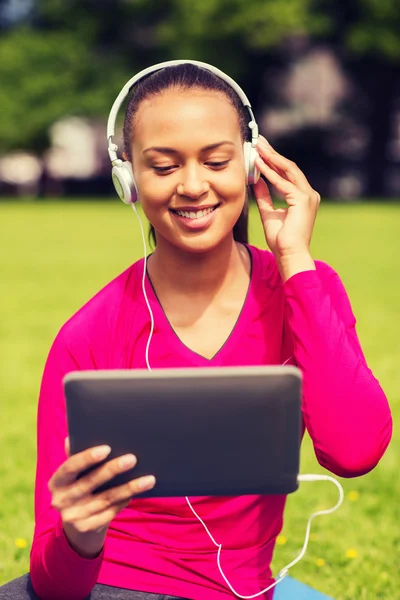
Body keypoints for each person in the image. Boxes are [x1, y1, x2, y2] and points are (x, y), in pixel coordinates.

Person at [0, 62, 392, 600]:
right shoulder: (87, 335)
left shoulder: (305, 289)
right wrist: (82, 534)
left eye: (216, 161)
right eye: (163, 166)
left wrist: (296, 261)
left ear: (252, 163)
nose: (192, 185)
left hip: (240, 588)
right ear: (129, 179)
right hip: (112, 586)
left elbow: (354, 453)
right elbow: (54, 587)